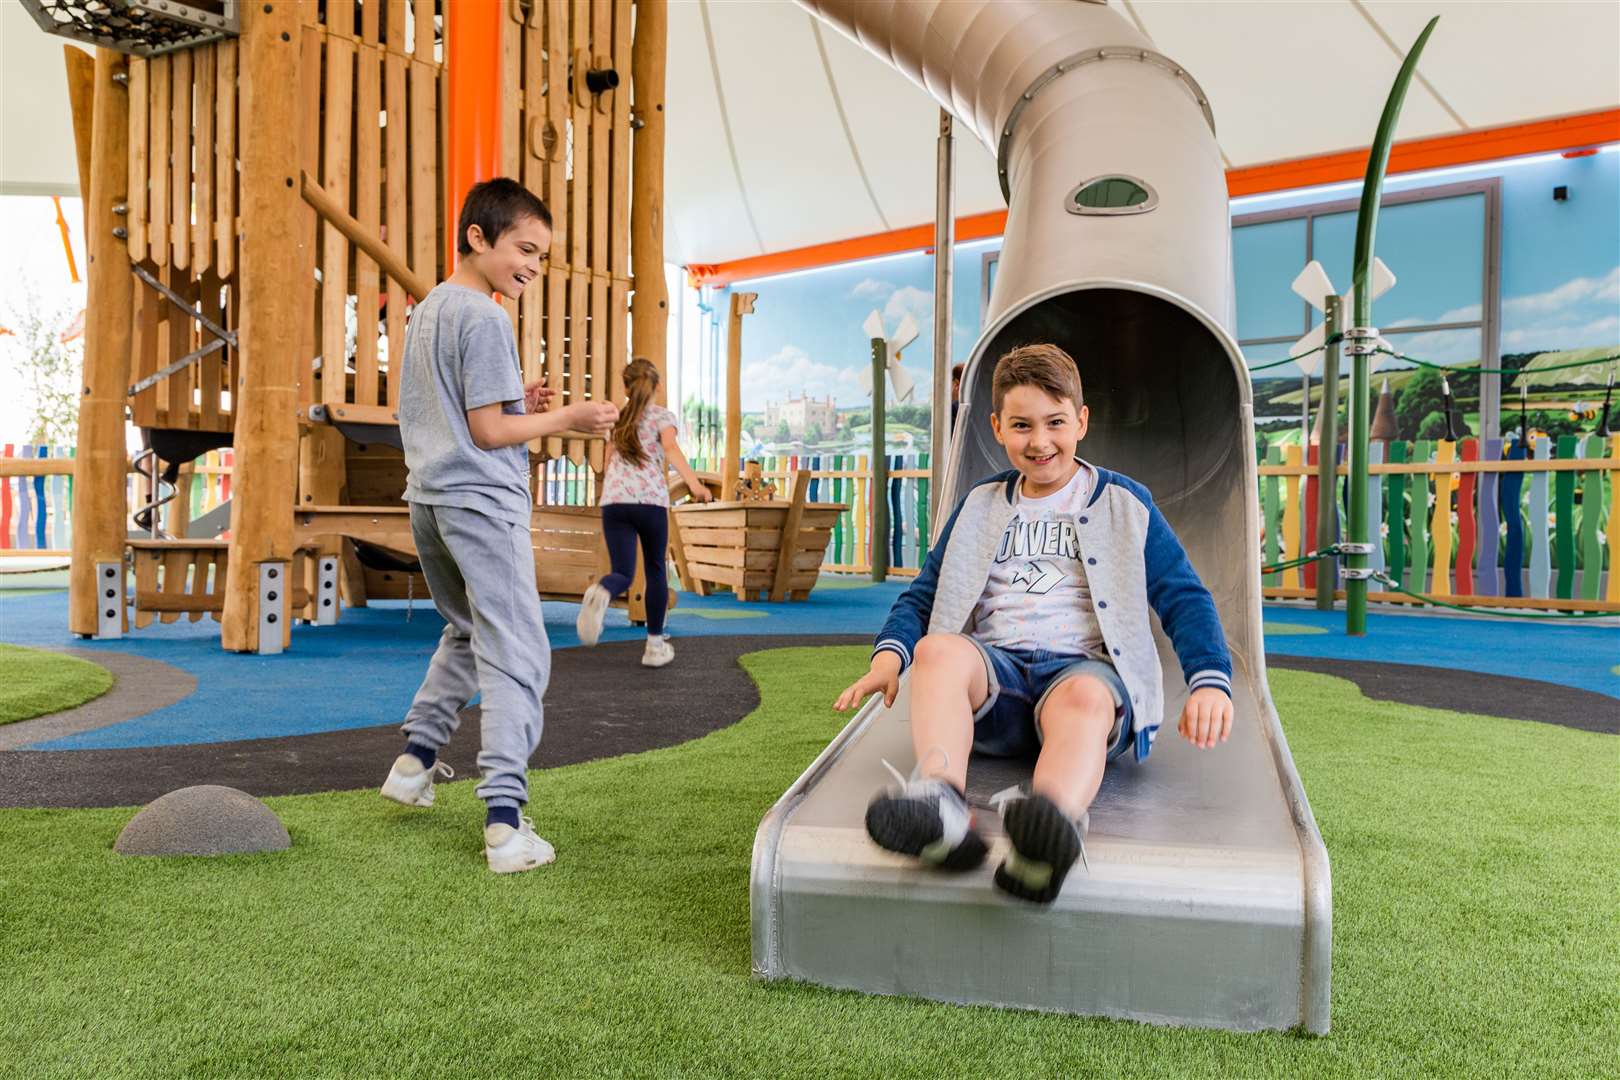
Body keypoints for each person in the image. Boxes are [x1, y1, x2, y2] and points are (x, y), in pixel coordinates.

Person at [833, 343, 1233, 903]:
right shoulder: (979, 504)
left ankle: (1047, 833)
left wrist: (1209, 679)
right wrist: (889, 656)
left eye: (1055, 423)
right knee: (938, 652)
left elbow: (1184, 596)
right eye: (1021, 425)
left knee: (1088, 702)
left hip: (1080, 675)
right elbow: (923, 595)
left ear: (1081, 421)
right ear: (997, 427)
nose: (1039, 441)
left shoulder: (1124, 503)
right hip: (996, 680)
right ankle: (943, 807)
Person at [380, 177, 619, 875]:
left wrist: (526, 402)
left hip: (429, 498)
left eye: (541, 257)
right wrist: (568, 418)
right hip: (482, 504)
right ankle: (505, 826)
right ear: (478, 238)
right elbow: (488, 432)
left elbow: (463, 411)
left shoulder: (430, 310)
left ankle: (413, 763)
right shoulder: (484, 316)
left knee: (468, 630)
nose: (532, 267)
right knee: (517, 651)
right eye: (524, 248)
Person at [575, 357, 712, 665]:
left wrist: (606, 495)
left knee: (622, 572)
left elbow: (609, 459)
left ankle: (602, 590)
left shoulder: (618, 419)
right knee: (655, 570)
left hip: (615, 502)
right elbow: (672, 450)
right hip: (650, 502)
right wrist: (695, 485)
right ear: (658, 386)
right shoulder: (662, 417)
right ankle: (654, 647)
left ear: (626, 387)